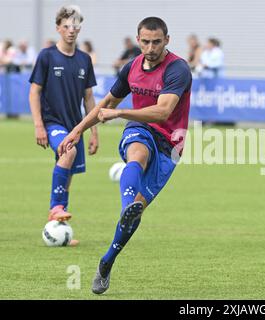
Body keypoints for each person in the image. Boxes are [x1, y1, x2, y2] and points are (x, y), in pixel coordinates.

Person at [58, 16, 192, 294]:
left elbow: (163, 111)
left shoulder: (178, 69)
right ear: (138, 40)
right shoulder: (131, 67)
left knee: (137, 214)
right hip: (141, 129)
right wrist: (77, 131)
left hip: (171, 145)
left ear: (167, 40)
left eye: (157, 42)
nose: (151, 47)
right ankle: (127, 204)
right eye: (145, 41)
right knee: (136, 155)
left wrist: (119, 113)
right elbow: (106, 103)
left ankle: (107, 262)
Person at [28, 5, 98, 247]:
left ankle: (58, 225)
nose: (71, 30)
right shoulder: (47, 56)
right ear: (58, 28)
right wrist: (39, 125)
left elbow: (89, 98)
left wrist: (94, 132)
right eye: (66, 26)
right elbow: (34, 92)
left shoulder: (84, 60)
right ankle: (56, 207)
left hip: (75, 126)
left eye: (75, 25)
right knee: (69, 150)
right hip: (52, 123)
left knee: (67, 172)